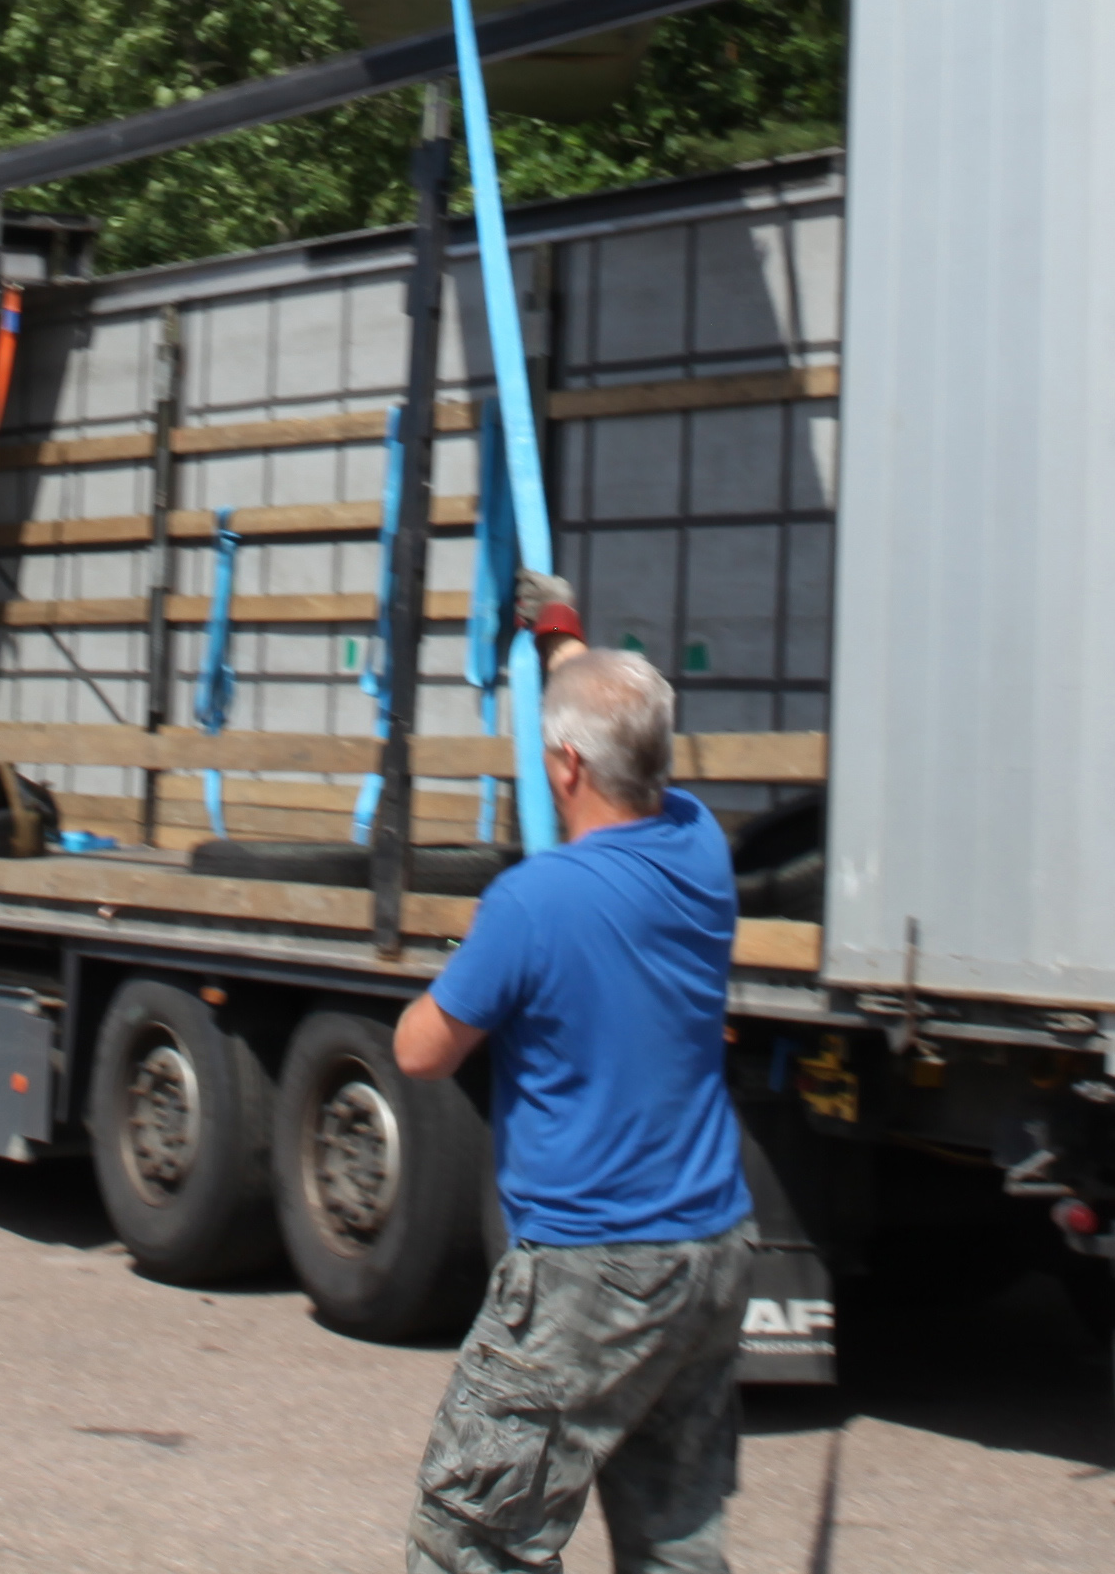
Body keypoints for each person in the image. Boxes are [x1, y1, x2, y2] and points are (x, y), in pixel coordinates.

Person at [391, 597, 752, 1574]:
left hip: (594, 1263)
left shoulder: (533, 902)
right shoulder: (701, 847)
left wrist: (472, 961)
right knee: (676, 1537)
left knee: (472, 1533)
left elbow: (421, 1052)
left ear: (564, 768)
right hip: (710, 1251)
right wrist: (562, 636)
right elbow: (617, 727)